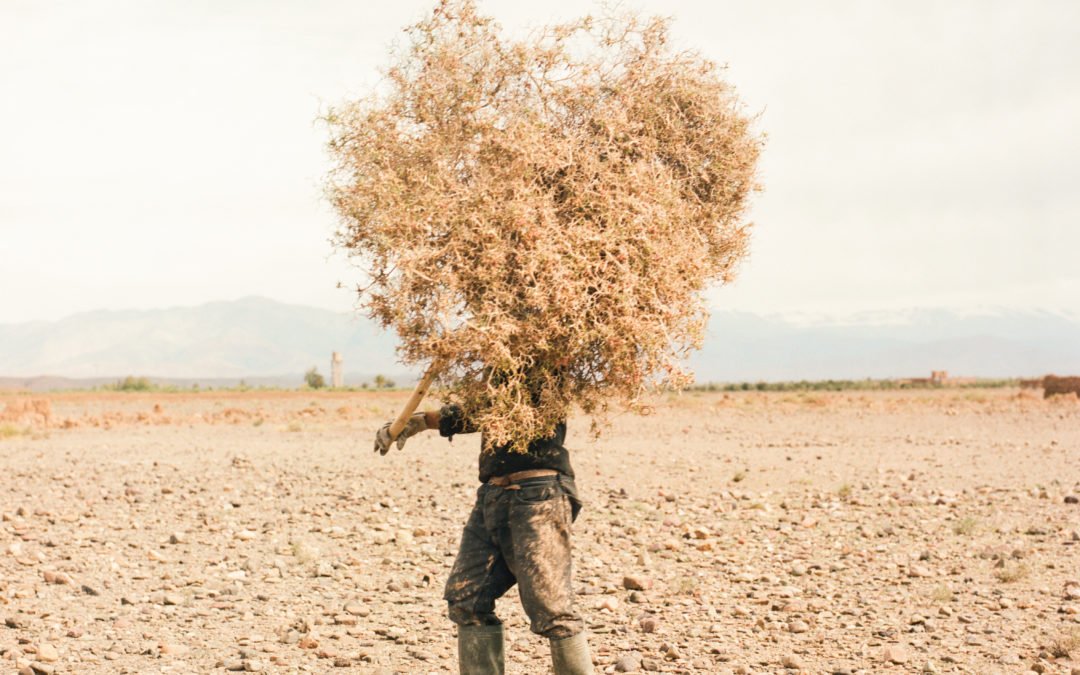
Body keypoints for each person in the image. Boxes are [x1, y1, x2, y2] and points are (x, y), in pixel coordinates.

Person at [374, 403, 593, 675]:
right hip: (493, 494)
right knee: (467, 599)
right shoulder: (496, 371)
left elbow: (498, 409)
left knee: (553, 610)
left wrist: (424, 421)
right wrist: (419, 421)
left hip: (539, 496)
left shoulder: (545, 368)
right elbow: (488, 410)